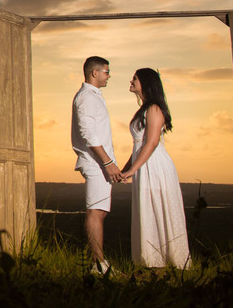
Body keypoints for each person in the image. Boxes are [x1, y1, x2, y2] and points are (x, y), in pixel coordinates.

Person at [120, 68, 191, 269]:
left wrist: (133, 169)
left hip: (156, 166)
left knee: (157, 206)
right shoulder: (144, 109)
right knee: (147, 207)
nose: (131, 80)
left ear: (146, 82)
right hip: (144, 164)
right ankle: (150, 260)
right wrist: (125, 169)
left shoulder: (154, 109)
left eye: (135, 78)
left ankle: (165, 261)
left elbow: (151, 143)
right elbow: (139, 145)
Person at [71, 55, 122, 274]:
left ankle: (99, 264)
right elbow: (88, 133)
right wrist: (108, 162)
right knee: (96, 211)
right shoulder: (86, 97)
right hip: (95, 163)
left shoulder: (93, 96)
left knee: (100, 211)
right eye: (107, 72)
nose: (109, 76)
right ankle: (98, 265)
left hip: (101, 163)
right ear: (95, 73)